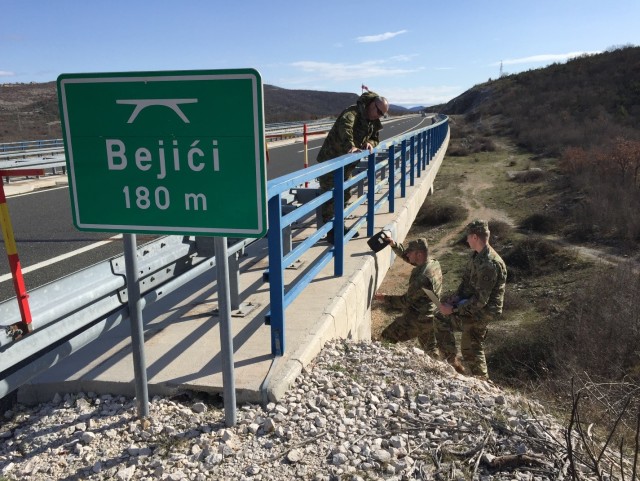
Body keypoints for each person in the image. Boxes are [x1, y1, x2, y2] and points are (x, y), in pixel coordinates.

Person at [438, 220, 508, 380]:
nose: (467, 240)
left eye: (468, 237)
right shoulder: (477, 256)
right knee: (441, 318)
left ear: (475, 237)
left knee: (470, 346)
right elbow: (467, 285)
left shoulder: (489, 264)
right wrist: (454, 299)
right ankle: (452, 365)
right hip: (472, 305)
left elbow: (480, 301)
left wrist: (454, 310)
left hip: (484, 311)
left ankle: (483, 384)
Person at [316, 91, 389, 243]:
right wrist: (351, 146)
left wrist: (370, 142)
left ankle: (339, 227)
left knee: (344, 195)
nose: (379, 115)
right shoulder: (352, 112)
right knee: (331, 198)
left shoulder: (372, 121)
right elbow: (345, 128)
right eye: (379, 111)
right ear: (372, 104)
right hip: (331, 161)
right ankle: (332, 233)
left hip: (346, 165)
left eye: (383, 114)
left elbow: (375, 138)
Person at [374, 237, 444, 358]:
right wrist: (394, 245)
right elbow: (411, 260)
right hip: (432, 316)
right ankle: (444, 369)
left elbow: (405, 301)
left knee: (386, 338)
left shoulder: (422, 278)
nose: (407, 254)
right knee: (431, 349)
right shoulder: (433, 264)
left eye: (410, 252)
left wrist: (384, 298)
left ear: (419, 254)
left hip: (418, 318)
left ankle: (383, 363)